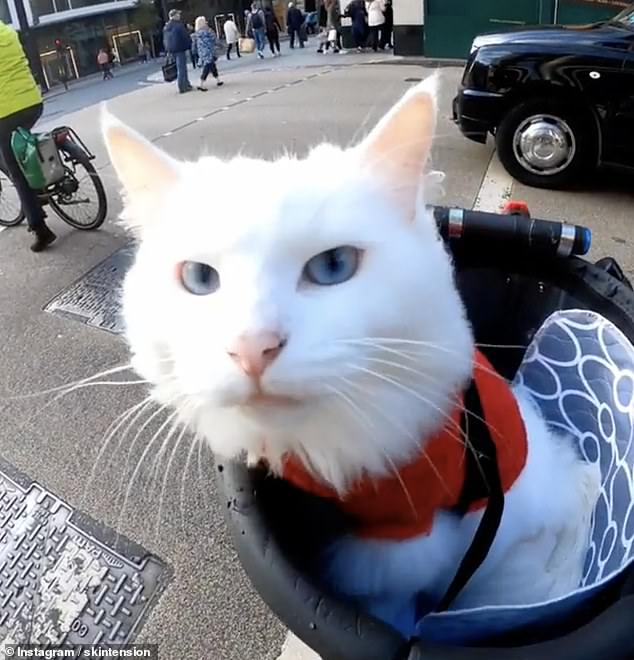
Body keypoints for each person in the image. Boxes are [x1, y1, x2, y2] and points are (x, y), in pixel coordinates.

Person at [0, 21, 55, 251]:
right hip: (32, 102)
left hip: (6, 111)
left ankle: (40, 227)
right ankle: (38, 185)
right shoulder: (5, 30)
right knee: (21, 144)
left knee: (14, 169)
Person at [163, 9, 192, 94]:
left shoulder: (166, 27)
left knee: (179, 68)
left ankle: (186, 84)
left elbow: (165, 39)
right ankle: (182, 86)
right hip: (180, 48)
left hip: (171, 50)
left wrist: (168, 50)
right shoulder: (179, 25)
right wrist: (189, 44)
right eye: (178, 14)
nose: (179, 16)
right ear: (174, 16)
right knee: (182, 68)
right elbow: (184, 36)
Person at [194, 16, 224, 91]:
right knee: (207, 67)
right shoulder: (208, 31)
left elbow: (195, 44)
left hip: (202, 52)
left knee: (212, 65)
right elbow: (214, 40)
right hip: (209, 51)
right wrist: (220, 45)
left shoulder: (197, 33)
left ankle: (218, 80)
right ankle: (201, 83)